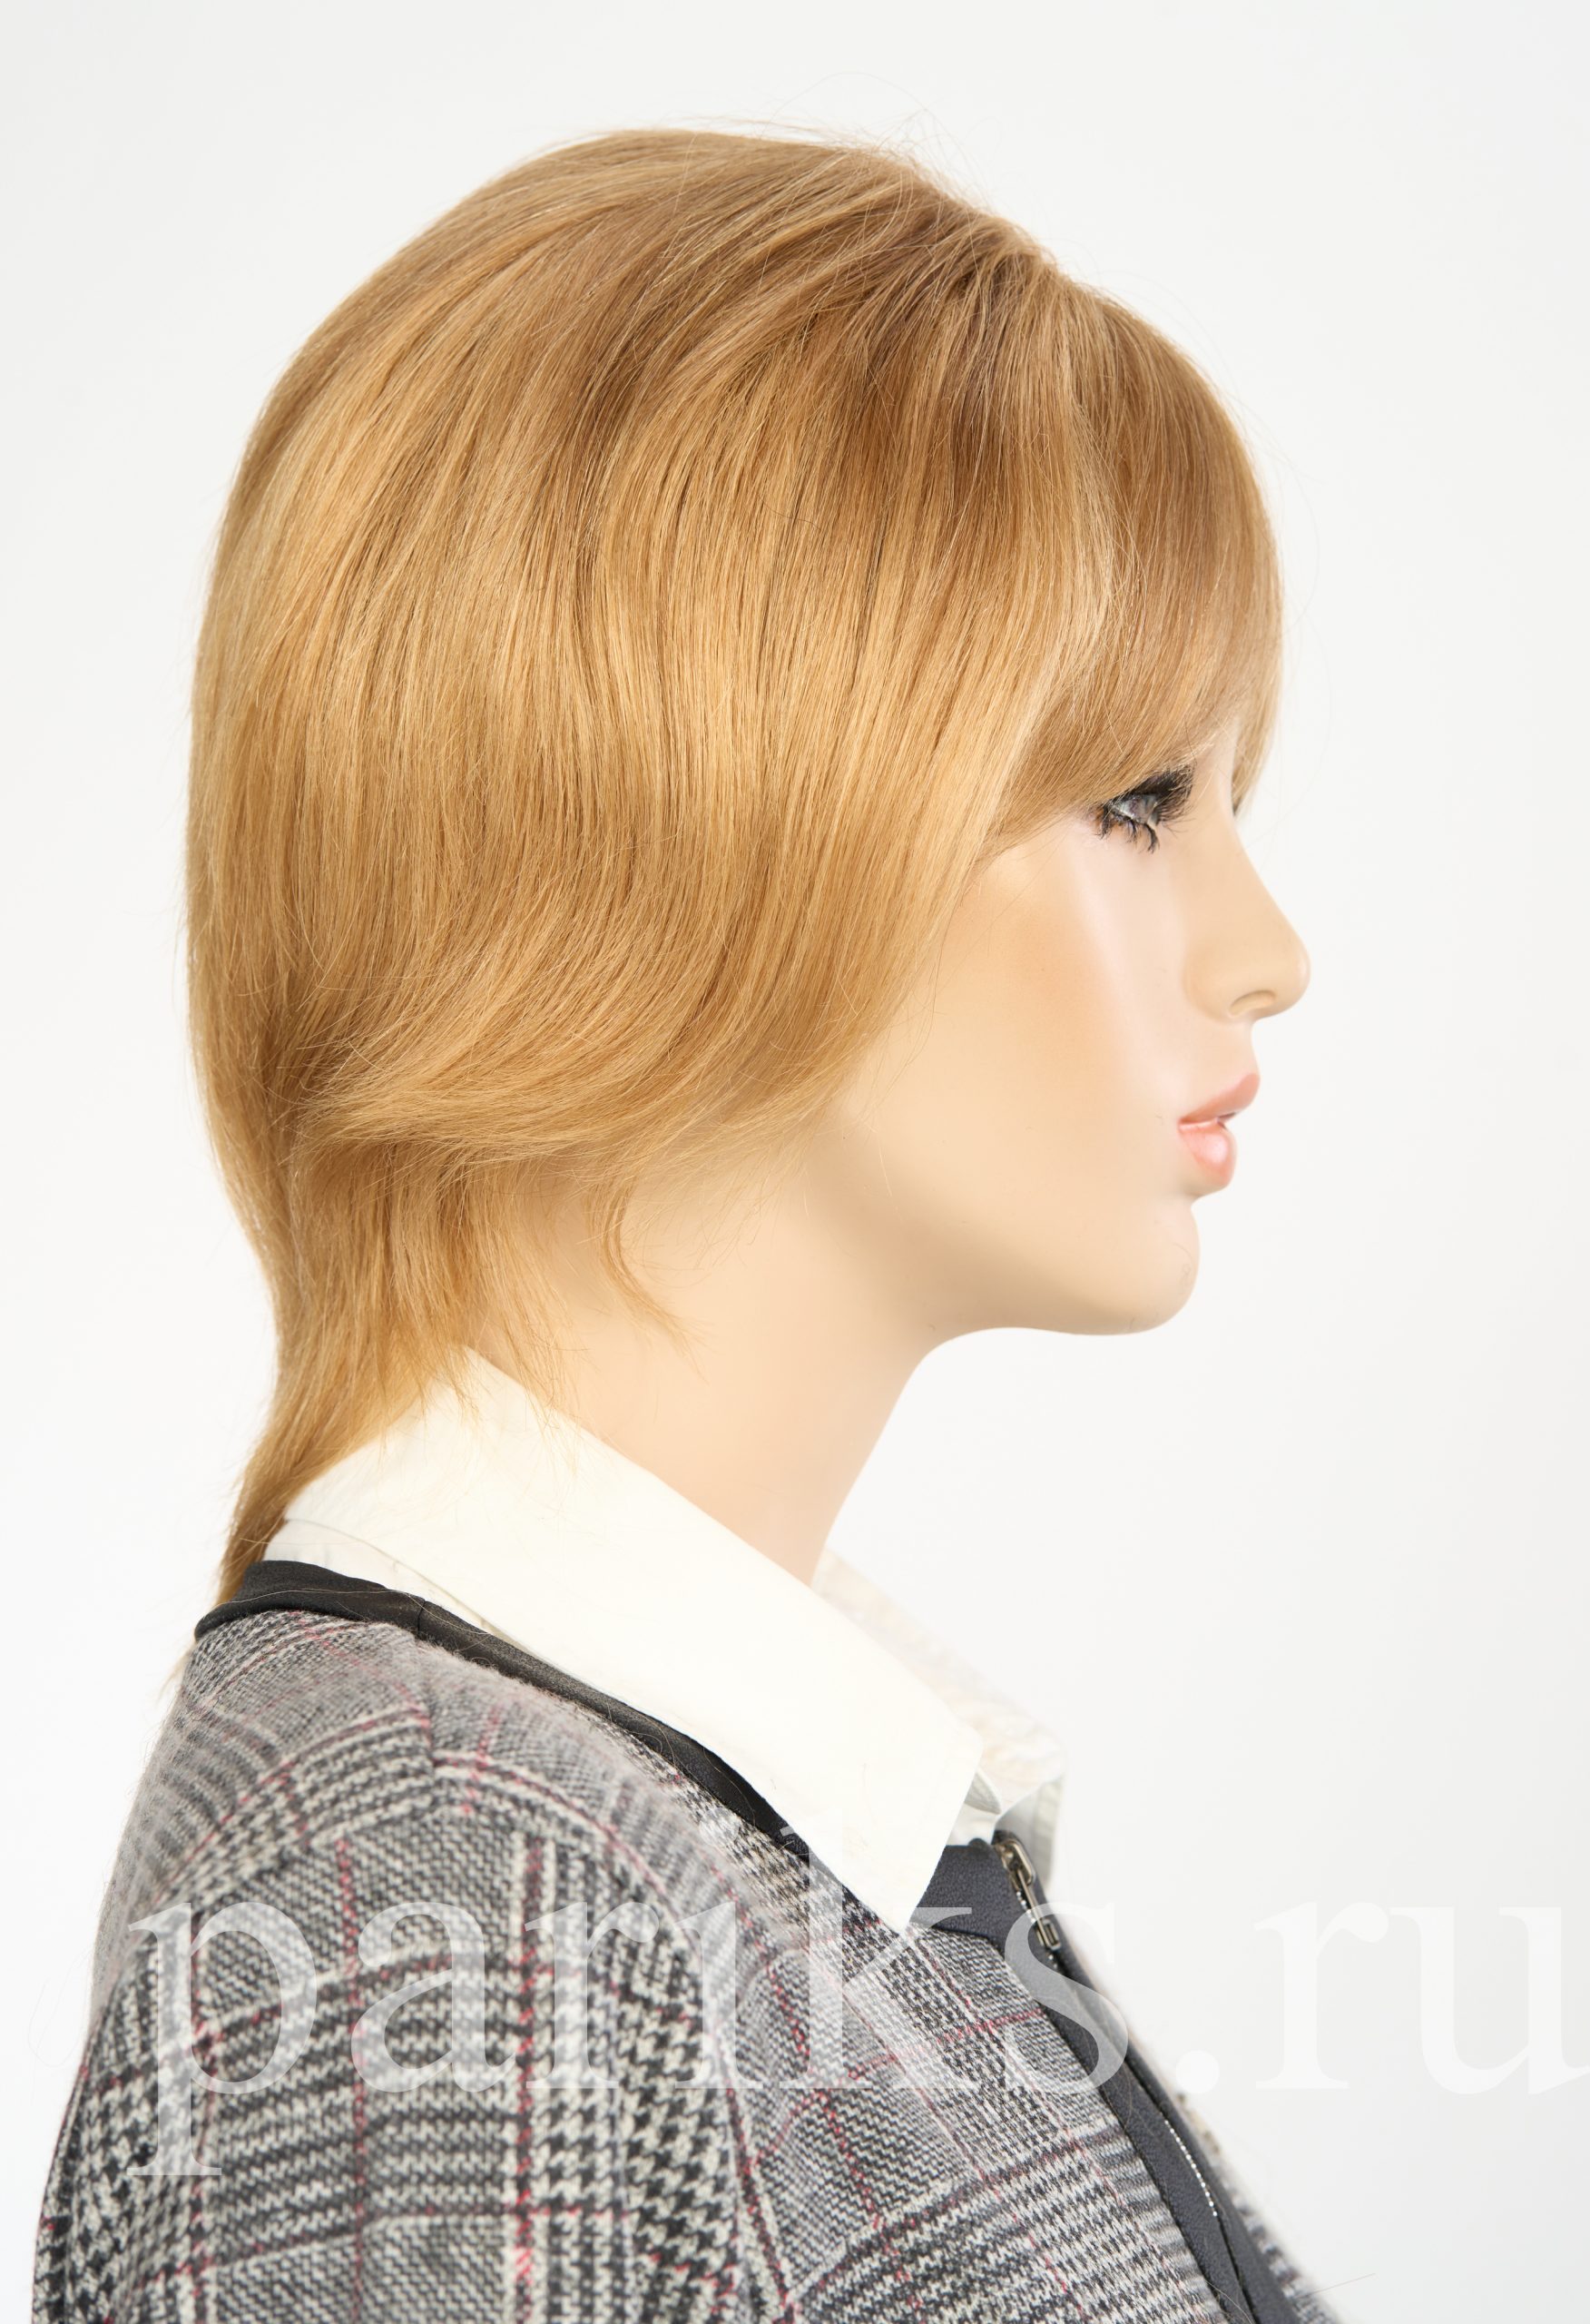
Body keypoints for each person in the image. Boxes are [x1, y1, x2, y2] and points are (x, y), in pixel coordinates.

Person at [34, 126, 1338, 2323]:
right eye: (1136, 803)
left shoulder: (700, 1828)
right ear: (698, 830)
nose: (1266, 949)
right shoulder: (447, 1913)